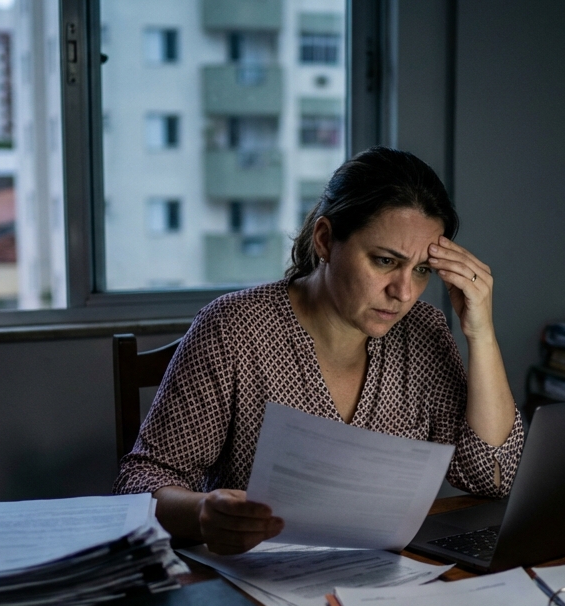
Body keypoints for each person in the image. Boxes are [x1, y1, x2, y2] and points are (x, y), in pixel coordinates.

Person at [114, 147, 524, 554]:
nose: (403, 293)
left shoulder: (424, 333)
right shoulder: (235, 328)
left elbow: (492, 477)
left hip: (386, 583)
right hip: (259, 582)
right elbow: (140, 481)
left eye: (421, 271)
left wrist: (481, 333)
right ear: (326, 240)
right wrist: (203, 513)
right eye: (384, 261)